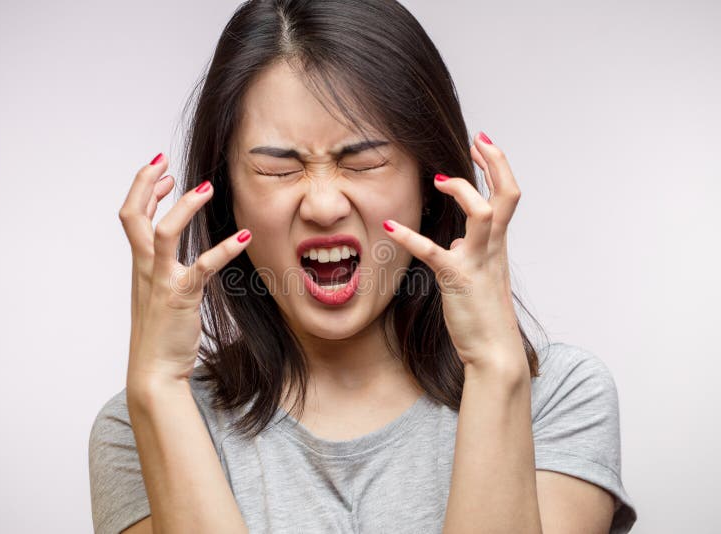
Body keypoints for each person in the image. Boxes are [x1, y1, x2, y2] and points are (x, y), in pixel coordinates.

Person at [88, 0, 638, 532]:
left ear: (429, 184)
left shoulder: (561, 398)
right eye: (278, 170)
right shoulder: (135, 431)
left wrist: (496, 370)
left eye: (366, 162)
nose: (324, 206)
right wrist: (157, 386)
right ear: (226, 195)